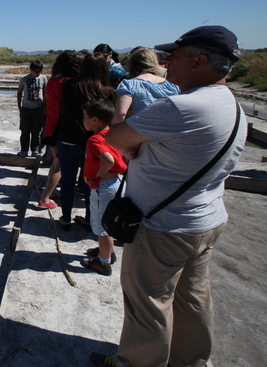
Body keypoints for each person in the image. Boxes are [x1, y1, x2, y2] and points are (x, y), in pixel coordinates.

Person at [94, 26, 247, 367]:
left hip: (162, 226)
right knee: (193, 299)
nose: (166, 63)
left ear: (199, 61)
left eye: (173, 56)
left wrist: (133, 148)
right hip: (205, 219)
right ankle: (189, 360)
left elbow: (115, 136)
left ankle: (136, 362)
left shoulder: (181, 106)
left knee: (148, 303)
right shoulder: (231, 103)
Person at [55, 54, 114, 231]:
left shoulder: (69, 85)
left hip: (68, 139)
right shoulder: (106, 90)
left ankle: (66, 218)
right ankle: (90, 219)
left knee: (67, 182)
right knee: (89, 183)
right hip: (93, 143)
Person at [78, 99, 127, 276]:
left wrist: (99, 175)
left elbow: (108, 160)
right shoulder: (113, 134)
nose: (83, 120)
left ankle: (103, 263)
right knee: (108, 221)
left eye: (85, 117)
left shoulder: (95, 140)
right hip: (116, 183)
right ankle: (108, 251)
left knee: (102, 226)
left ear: (95, 120)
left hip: (103, 186)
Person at [37, 50, 82, 209]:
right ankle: (45, 199)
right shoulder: (67, 83)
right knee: (60, 165)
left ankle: (50, 192)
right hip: (61, 127)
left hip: (51, 125)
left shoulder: (53, 80)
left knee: (56, 162)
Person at [112, 47, 180, 124]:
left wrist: (115, 129)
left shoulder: (129, 85)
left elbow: (120, 114)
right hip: (168, 128)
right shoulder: (172, 84)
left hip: (139, 129)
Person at [17, 60, 48, 156]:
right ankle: (24, 150)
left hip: (38, 108)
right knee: (25, 131)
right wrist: (19, 107)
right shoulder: (24, 79)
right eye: (36, 71)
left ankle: (35, 150)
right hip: (26, 108)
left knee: (36, 131)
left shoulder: (43, 78)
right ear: (31, 70)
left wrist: (45, 106)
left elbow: (45, 93)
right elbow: (19, 92)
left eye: (40, 71)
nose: (38, 73)